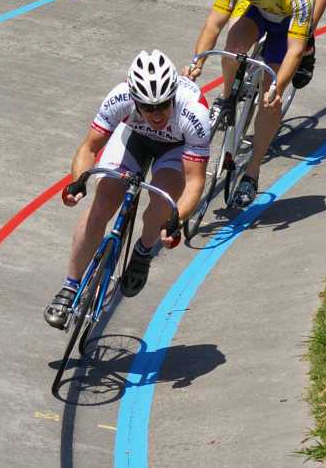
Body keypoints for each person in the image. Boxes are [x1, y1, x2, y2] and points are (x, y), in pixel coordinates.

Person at [44, 50, 210, 329]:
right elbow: (89, 148)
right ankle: (70, 286)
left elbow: (195, 181)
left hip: (175, 148)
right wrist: (79, 181)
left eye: (163, 105)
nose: (156, 114)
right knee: (102, 204)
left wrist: (176, 219)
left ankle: (143, 251)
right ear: (134, 99)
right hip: (133, 138)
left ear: (173, 96)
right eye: (147, 107)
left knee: (162, 204)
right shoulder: (120, 97)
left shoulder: (194, 113)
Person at [185, 0, 314, 210]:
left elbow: (294, 50)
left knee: (269, 100)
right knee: (233, 49)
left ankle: (252, 172)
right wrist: (197, 61)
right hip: (256, 11)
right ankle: (227, 97)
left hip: (286, 25)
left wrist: (277, 87)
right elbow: (214, 23)